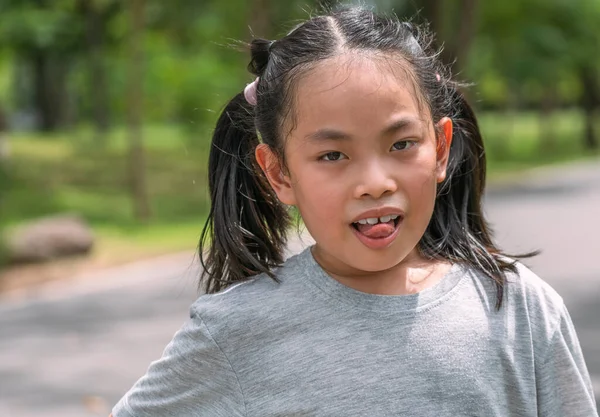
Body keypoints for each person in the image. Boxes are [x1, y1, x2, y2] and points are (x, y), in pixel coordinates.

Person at [111, 6, 598, 417]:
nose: (374, 183)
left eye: (402, 144)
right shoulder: (235, 331)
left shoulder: (518, 309)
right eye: (332, 156)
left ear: (442, 148)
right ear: (279, 173)